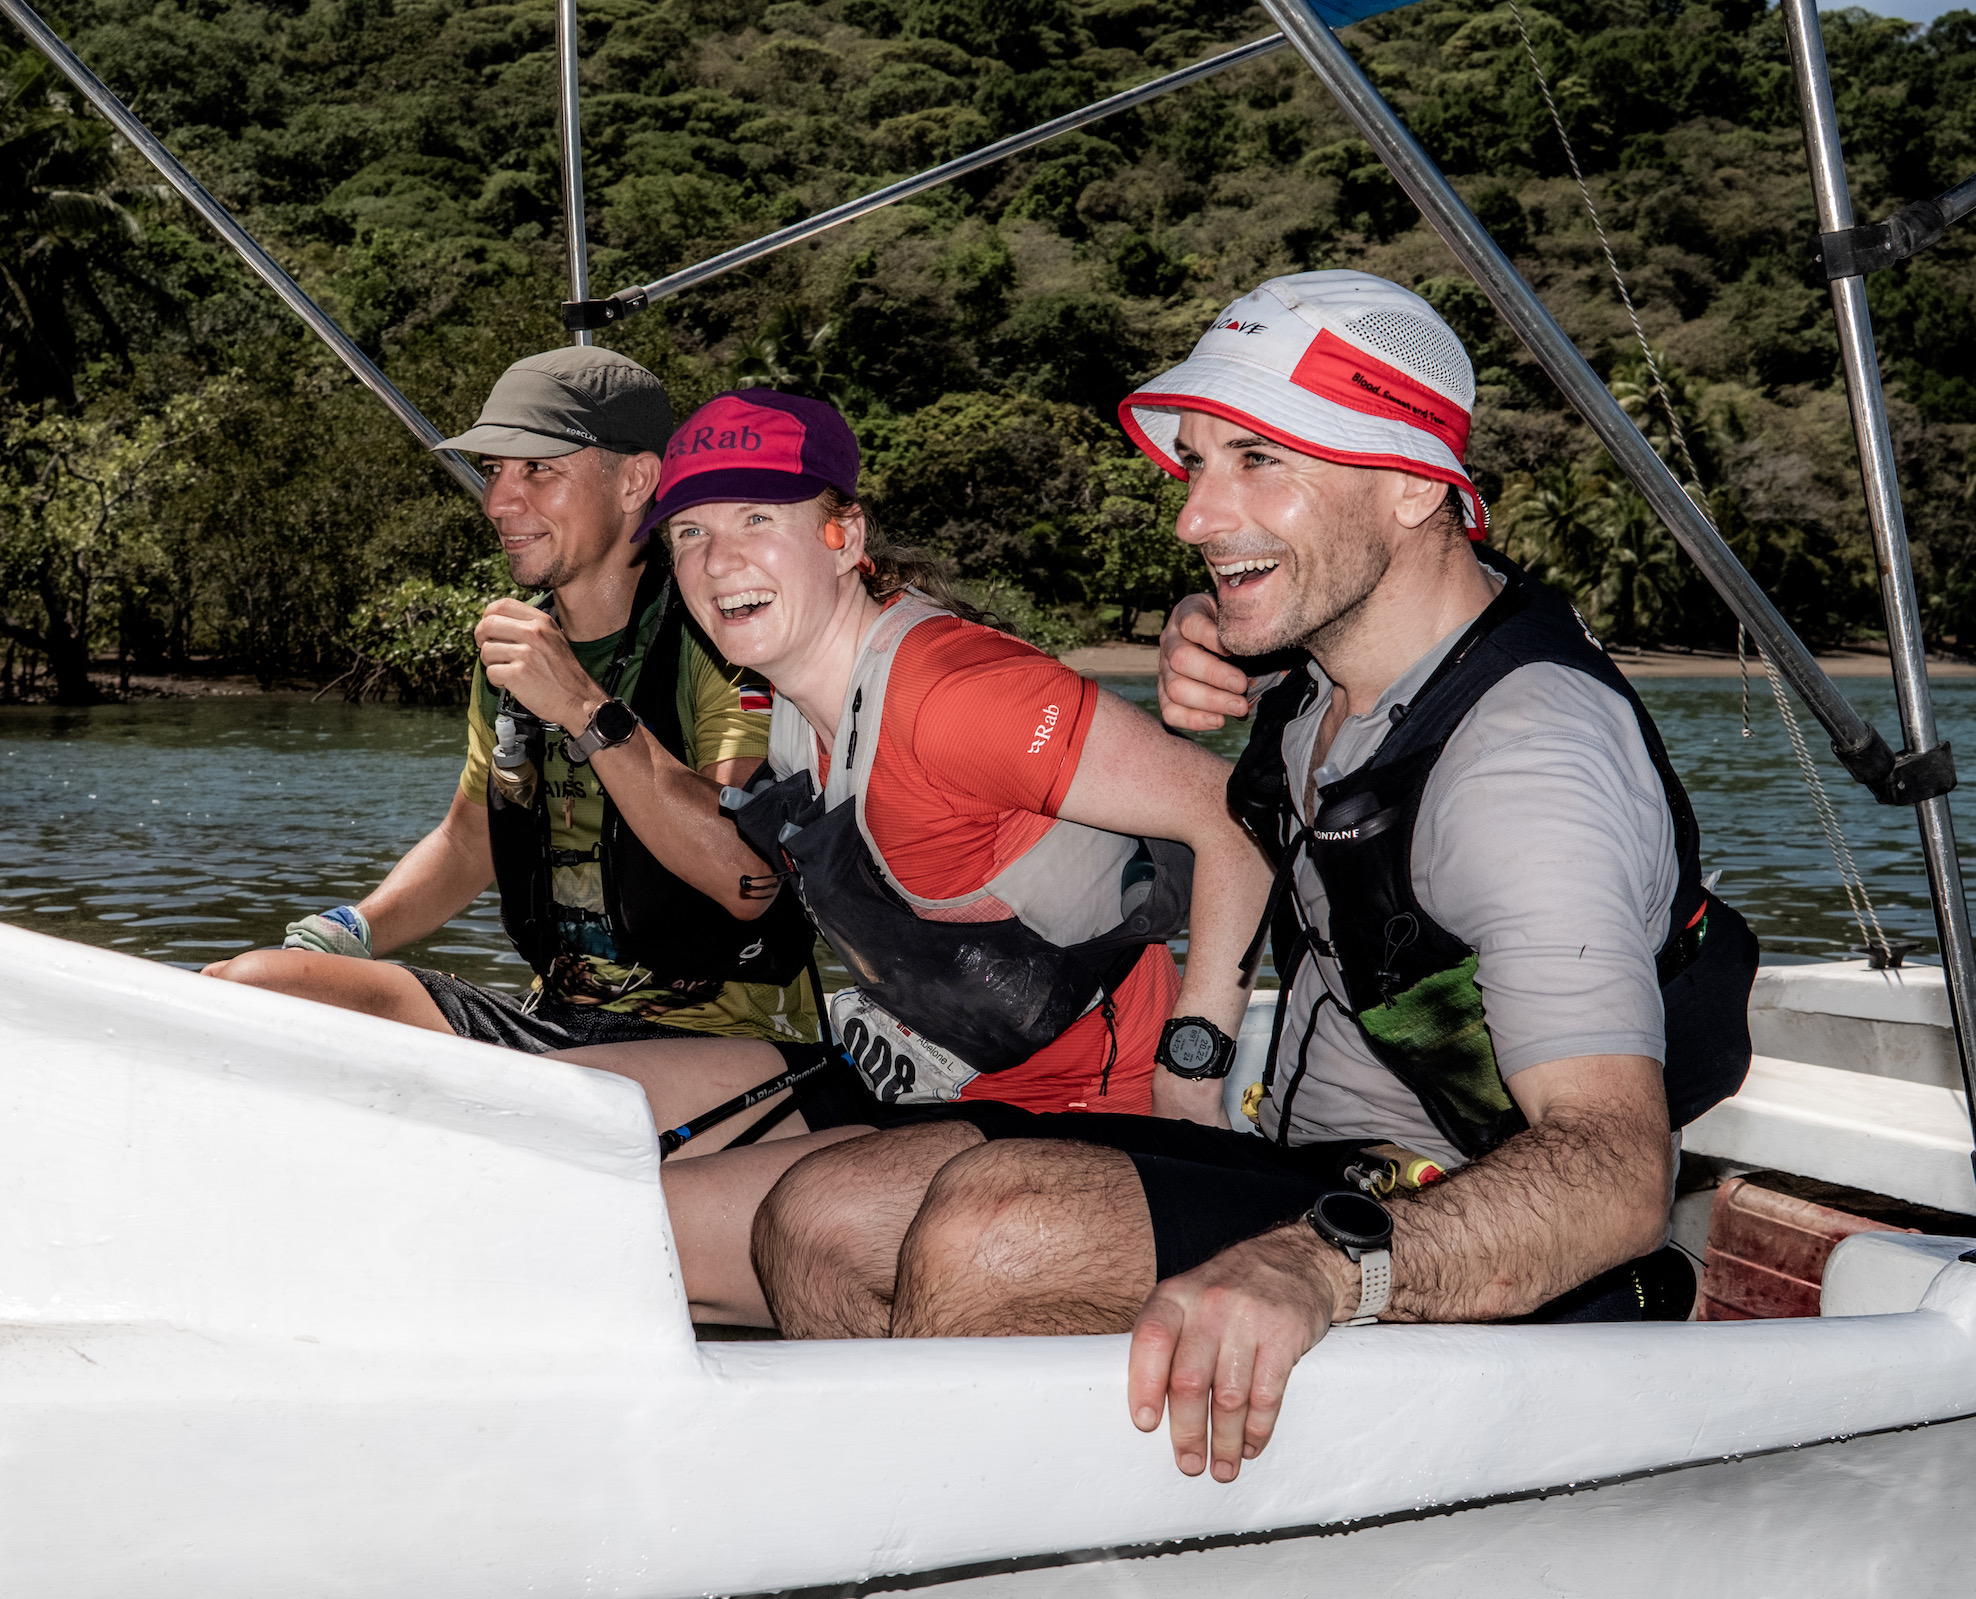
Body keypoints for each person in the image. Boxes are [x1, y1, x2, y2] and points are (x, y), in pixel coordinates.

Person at [747, 270, 1756, 1479]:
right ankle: (918, 1510)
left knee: (994, 1234)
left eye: (1259, 460)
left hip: (1440, 1211)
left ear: (1416, 486)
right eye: (1196, 463)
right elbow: (1273, 650)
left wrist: (1322, 1267)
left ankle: (970, 1517)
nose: (1195, 514)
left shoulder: (1527, 769)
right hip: (1301, 1157)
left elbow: (1614, 1176)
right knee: (814, 1215)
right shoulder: (1340, 655)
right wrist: (1211, 624)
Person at [548, 387, 1275, 1328]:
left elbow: (1235, 819)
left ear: (845, 537)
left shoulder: (953, 698)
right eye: (688, 533)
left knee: (611, 1234)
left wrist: (1193, 1063)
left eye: (758, 517)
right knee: (561, 1113)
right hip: (917, 1085)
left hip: (1072, 1116)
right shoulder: (793, 719)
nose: (719, 559)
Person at [206, 347, 820, 1056]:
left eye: (539, 469)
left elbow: (746, 879)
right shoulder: (513, 651)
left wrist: (585, 707)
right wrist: (353, 927)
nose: (499, 501)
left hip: (722, 1033)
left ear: (635, 481)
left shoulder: (722, 640)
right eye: (496, 470)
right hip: (558, 1016)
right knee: (248, 984)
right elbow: (469, 844)